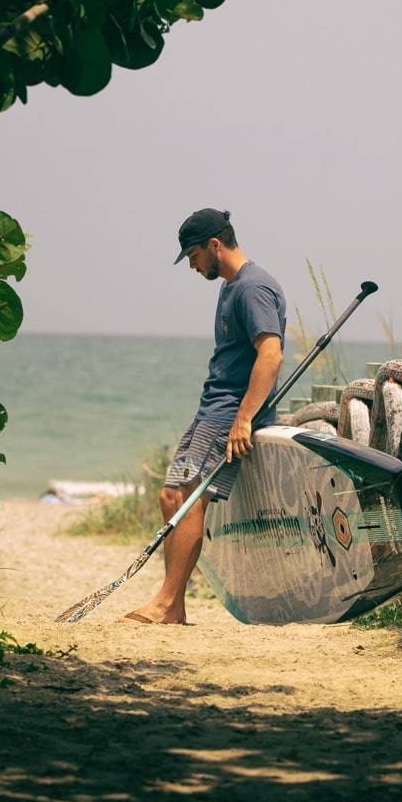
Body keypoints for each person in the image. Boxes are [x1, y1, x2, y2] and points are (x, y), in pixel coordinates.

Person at [118, 207, 286, 624]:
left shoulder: (253, 288)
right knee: (171, 496)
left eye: (193, 256)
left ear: (215, 245)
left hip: (230, 413)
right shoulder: (230, 287)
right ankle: (172, 603)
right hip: (212, 407)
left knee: (191, 497)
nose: (192, 266)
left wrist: (245, 418)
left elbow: (271, 353)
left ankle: (166, 603)